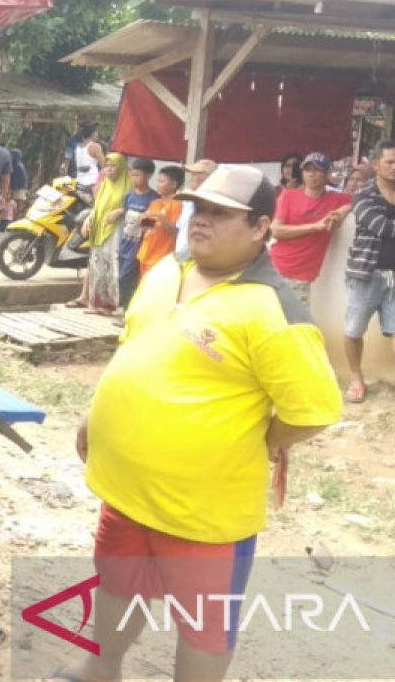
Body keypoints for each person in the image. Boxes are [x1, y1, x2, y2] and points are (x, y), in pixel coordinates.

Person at [64, 164, 341, 682]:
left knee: (203, 625)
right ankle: (99, 668)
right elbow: (134, 344)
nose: (202, 220)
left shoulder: (274, 311)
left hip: (204, 514)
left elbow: (316, 410)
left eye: (222, 213)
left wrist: (261, 440)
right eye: (201, 207)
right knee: (118, 584)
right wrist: (97, 411)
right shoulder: (168, 269)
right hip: (127, 492)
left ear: (260, 228)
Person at [342, 141, 395, 404]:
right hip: (366, 273)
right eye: (390, 162)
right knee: (354, 330)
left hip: (394, 276)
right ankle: (356, 378)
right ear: (376, 165)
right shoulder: (364, 194)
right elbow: (381, 227)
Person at [270, 152, 353, 308]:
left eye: (317, 170)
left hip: (302, 276)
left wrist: (343, 210)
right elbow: (276, 230)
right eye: (307, 170)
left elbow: (358, 200)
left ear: (327, 174)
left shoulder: (336, 199)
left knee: (297, 324)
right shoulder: (288, 196)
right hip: (275, 266)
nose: (311, 174)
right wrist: (315, 226)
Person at [82, 153, 129, 315]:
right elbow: (97, 206)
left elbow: (133, 207)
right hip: (99, 228)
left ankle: (114, 304)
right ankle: (98, 303)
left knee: (113, 264)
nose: (109, 169)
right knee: (98, 264)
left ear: (121, 168)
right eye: (107, 165)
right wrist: (88, 219)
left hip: (116, 229)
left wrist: (120, 211)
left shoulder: (127, 186)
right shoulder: (105, 184)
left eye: (113, 165)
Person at [117, 158, 159, 310]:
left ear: (148, 176)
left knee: (125, 278)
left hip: (139, 245)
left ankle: (129, 310)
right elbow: (125, 215)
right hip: (124, 242)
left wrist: (144, 220)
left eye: (137, 175)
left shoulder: (154, 198)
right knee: (121, 278)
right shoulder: (129, 196)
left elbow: (151, 225)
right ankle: (127, 308)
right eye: (132, 175)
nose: (134, 179)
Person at [135, 164, 185, 278]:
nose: (157, 185)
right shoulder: (155, 203)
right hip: (146, 253)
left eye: (161, 181)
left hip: (161, 256)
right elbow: (148, 227)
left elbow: (175, 231)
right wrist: (141, 222)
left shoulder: (177, 204)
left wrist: (160, 216)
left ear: (173, 184)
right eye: (158, 181)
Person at [174, 158, 218, 260]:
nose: (193, 177)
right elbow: (179, 229)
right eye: (193, 174)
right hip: (181, 255)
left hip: (198, 258)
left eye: (198, 174)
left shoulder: (214, 204)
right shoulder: (187, 200)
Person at [73, 122, 104, 191]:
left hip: (79, 182)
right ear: (93, 134)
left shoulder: (78, 147)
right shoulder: (95, 146)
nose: (97, 135)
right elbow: (104, 165)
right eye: (97, 132)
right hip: (92, 182)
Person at [9, 147, 29, 219]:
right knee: (15, 205)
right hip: (19, 187)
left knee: (16, 205)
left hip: (19, 188)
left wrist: (12, 189)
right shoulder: (17, 164)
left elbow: (16, 179)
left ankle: (15, 220)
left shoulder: (17, 166)